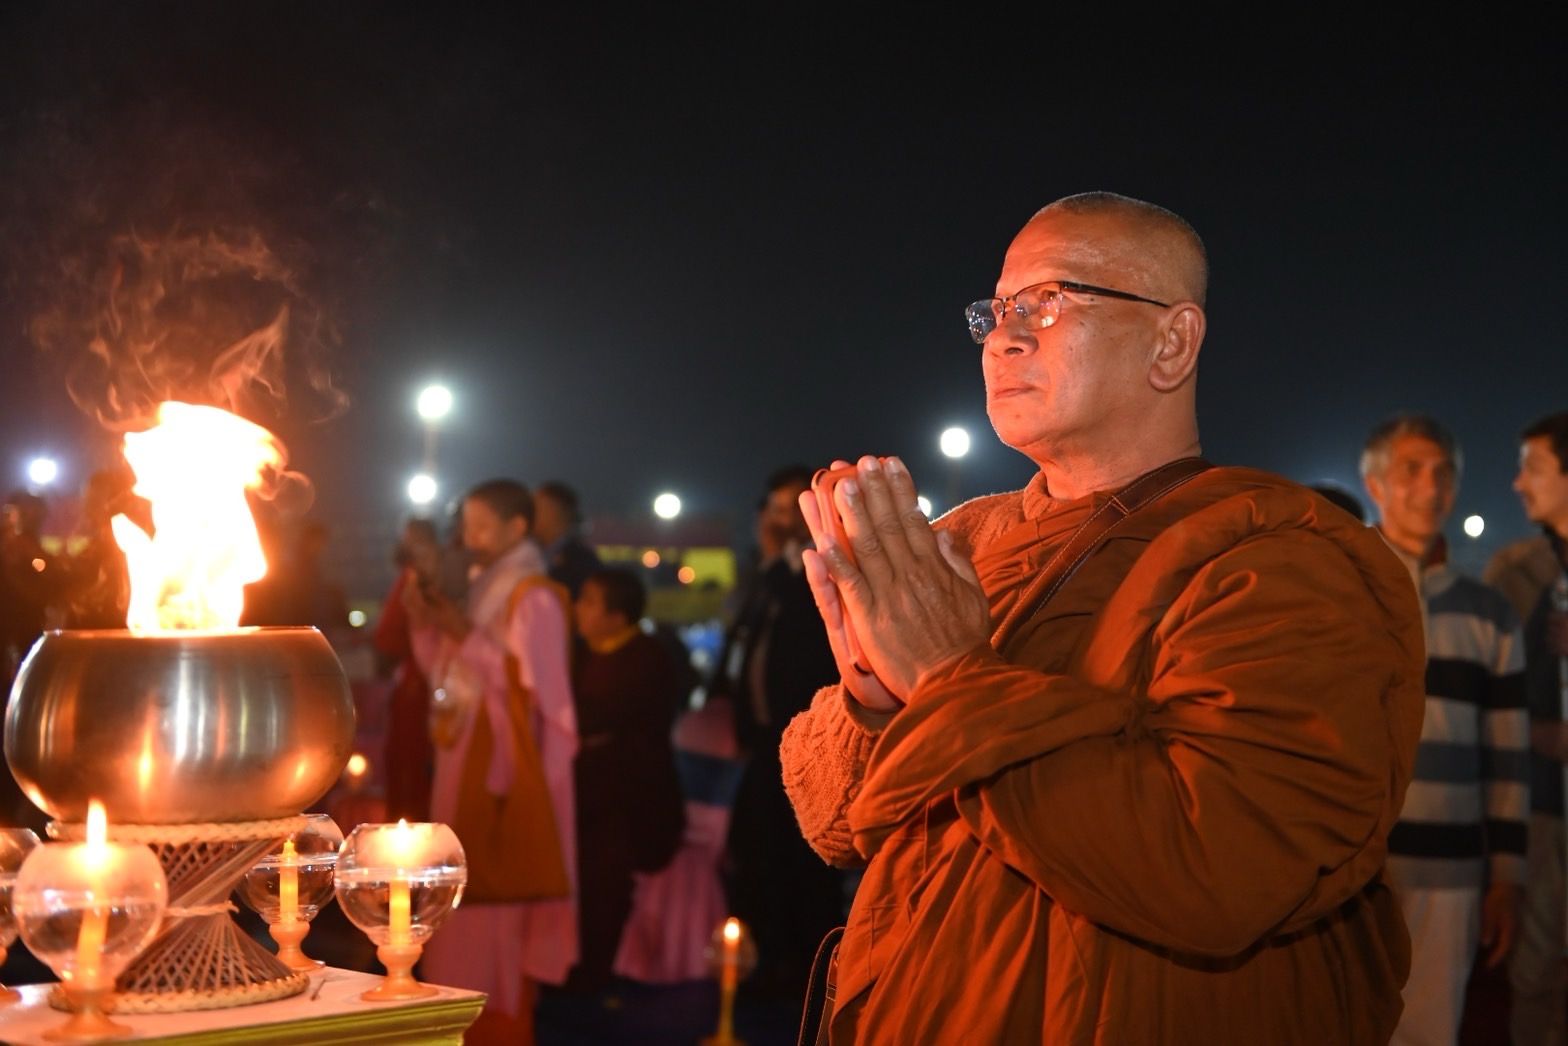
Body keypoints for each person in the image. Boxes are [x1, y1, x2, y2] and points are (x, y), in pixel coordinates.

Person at [779, 192, 1426, 1043]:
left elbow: (1220, 866)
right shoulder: (965, 540)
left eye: (1050, 303)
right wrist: (871, 697)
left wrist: (947, 681)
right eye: (996, 312)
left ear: (1172, 342)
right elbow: (833, 824)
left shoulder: (1283, 557)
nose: (1005, 338)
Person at [1360, 414, 1527, 1045]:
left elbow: (1507, 757)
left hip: (1453, 870)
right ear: (1375, 484)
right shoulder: (1345, 590)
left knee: (1430, 1031)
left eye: (1444, 472)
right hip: (1357, 863)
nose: (1431, 487)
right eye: (1412, 470)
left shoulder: (1492, 614)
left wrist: (1507, 875)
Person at [404, 479, 578, 1046]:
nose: (469, 539)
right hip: (463, 761)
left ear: (516, 528)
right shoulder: (485, 590)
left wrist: (464, 635)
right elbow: (447, 677)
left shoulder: (536, 597)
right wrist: (426, 624)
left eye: (481, 527)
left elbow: (540, 704)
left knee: (493, 916)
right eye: (466, 526)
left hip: (503, 776)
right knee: (456, 911)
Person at [712, 465, 842, 998]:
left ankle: (807, 971)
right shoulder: (771, 574)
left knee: (804, 862)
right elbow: (742, 636)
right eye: (776, 509)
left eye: (793, 509)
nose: (782, 520)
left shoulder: (825, 568)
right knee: (757, 850)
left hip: (813, 737)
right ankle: (761, 959)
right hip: (765, 743)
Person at [567, 567, 684, 994]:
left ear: (617, 616)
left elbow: (608, 720)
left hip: (632, 800)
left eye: (589, 601)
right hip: (588, 795)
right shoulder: (581, 653)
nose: (577, 609)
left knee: (604, 883)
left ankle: (598, 975)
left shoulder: (648, 658)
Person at [1492, 410, 1568, 1046]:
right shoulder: (1517, 573)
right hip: (1543, 809)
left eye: (1534, 467)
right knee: (1535, 976)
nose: (1518, 483)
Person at [373, 517, 443, 822]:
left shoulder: (419, 579)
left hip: (422, 686)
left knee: (413, 767)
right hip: (421, 681)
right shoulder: (415, 577)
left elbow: (389, 636)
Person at [533, 480, 603, 598]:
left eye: (537, 508)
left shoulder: (582, 562)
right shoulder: (533, 552)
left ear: (554, 513)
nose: (530, 516)